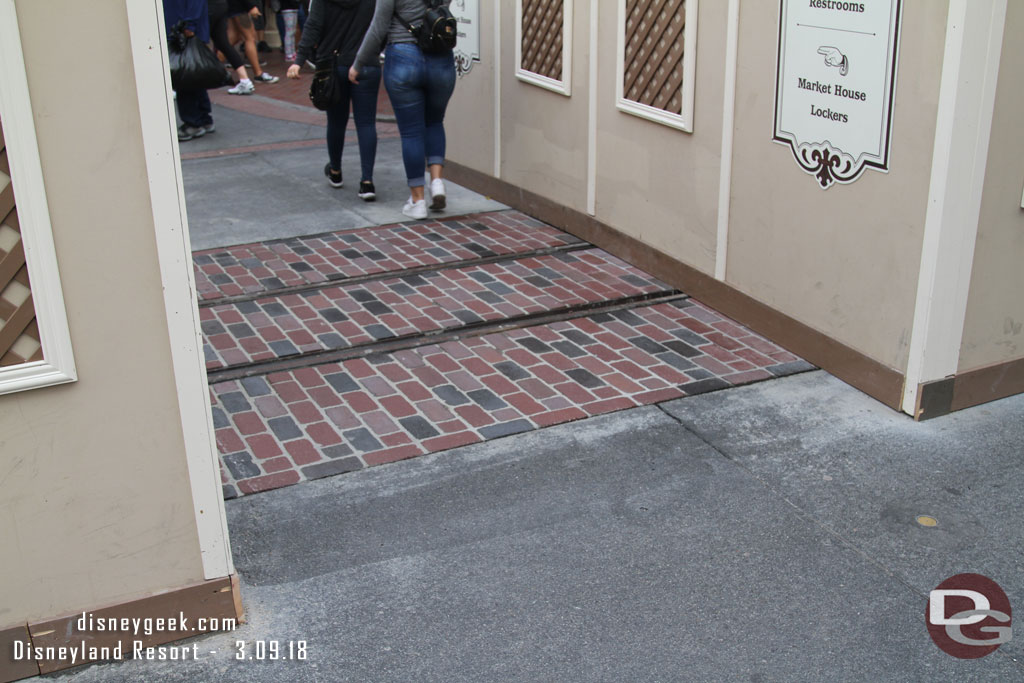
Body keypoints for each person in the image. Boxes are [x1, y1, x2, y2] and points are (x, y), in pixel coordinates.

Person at [350, 0, 456, 219]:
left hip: (403, 56)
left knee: (411, 132)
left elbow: (378, 28)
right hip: (440, 57)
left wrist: (358, 64)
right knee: (435, 121)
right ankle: (436, 181)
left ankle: (417, 201)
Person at [288, 0, 380, 201]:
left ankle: (336, 170)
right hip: (366, 62)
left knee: (337, 121)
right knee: (366, 123)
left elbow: (313, 26)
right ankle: (367, 182)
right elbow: (382, 25)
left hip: (334, 64)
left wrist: (299, 60)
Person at [163, 0, 215, 141]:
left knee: (185, 77)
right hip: (184, 29)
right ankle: (203, 118)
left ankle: (193, 122)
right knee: (194, 75)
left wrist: (189, 26)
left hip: (184, 31)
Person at [208, 0, 260, 94]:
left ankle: (210, 74)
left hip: (213, 6)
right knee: (224, 43)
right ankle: (245, 78)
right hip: (222, 6)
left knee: (220, 42)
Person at [229, 0, 280, 86]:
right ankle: (258, 73)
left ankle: (214, 68)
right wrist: (251, 6)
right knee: (249, 38)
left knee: (232, 38)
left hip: (232, 6)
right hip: (240, 8)